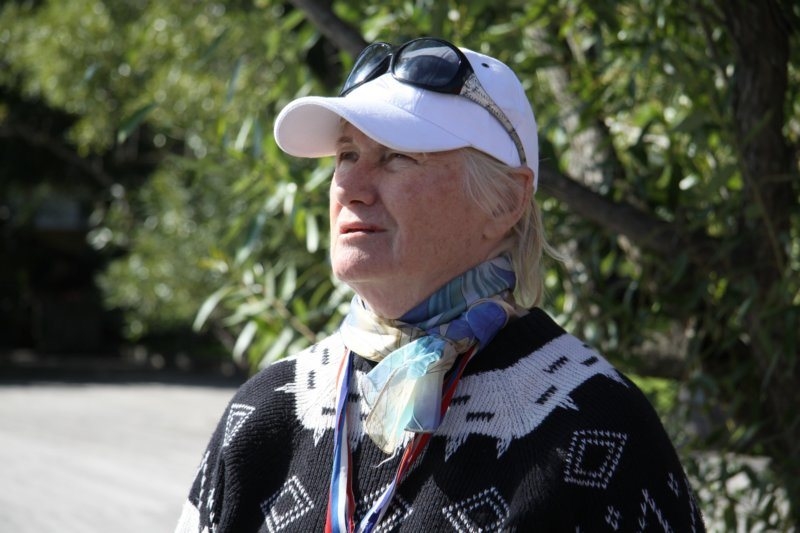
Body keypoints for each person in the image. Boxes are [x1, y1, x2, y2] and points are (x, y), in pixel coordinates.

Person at [175, 37, 704, 532]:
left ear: (505, 201)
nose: (351, 187)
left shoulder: (597, 426)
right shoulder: (268, 413)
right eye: (347, 155)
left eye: (397, 156)